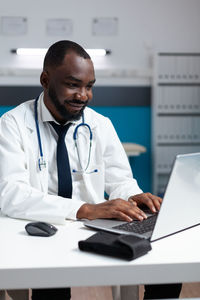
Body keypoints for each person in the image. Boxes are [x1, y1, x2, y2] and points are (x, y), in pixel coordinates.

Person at [0, 40, 181, 300]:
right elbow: (11, 195)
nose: (83, 95)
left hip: (91, 230)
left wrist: (134, 195)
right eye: (73, 85)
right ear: (45, 80)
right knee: (51, 286)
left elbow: (120, 180)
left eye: (89, 86)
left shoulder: (100, 125)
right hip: (40, 228)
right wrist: (85, 209)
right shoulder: (13, 125)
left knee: (166, 269)